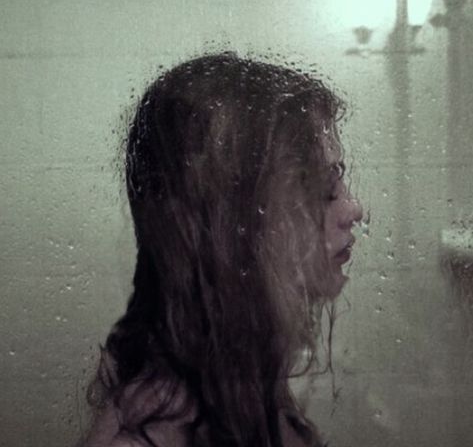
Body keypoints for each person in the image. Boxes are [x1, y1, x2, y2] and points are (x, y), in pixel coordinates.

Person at [80, 52, 363, 447]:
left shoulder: (238, 380)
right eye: (323, 188)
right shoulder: (145, 437)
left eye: (339, 180)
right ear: (238, 225)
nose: (354, 209)